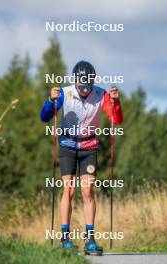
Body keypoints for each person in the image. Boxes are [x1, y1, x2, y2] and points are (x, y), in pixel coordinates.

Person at [40, 60, 123, 254]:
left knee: (87, 192)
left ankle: (90, 239)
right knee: (68, 191)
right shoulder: (63, 93)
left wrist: (115, 102)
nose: (85, 89)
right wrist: (50, 101)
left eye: (88, 85)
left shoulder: (101, 94)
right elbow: (44, 117)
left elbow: (116, 121)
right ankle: (65, 237)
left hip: (89, 146)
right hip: (68, 146)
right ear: (75, 80)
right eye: (81, 85)